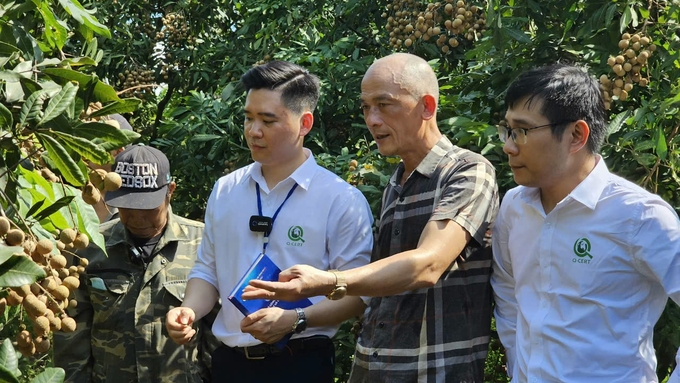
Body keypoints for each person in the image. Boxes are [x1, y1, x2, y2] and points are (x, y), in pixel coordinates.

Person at [242, 52, 500, 382]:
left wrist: (330, 280)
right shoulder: (397, 182)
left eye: (384, 104)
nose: (372, 119)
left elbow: (427, 264)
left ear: (427, 107)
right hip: (374, 368)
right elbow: (379, 294)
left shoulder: (468, 172)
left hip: (434, 371)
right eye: (366, 107)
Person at [165, 60, 374, 383]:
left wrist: (295, 319)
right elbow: (207, 269)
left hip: (300, 363)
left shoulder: (340, 199)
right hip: (230, 363)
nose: (253, 131)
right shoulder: (226, 189)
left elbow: (357, 295)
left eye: (267, 120)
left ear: (305, 123)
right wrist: (190, 310)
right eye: (248, 118)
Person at [489, 64, 680, 382]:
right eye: (507, 130)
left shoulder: (639, 216)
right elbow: (509, 294)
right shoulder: (514, 208)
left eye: (522, 131)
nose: (508, 145)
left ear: (576, 135)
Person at [54, 144, 217, 383]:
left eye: (149, 207)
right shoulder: (91, 249)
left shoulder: (202, 244)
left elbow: (218, 334)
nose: (138, 217)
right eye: (127, 206)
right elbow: (70, 337)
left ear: (170, 191)